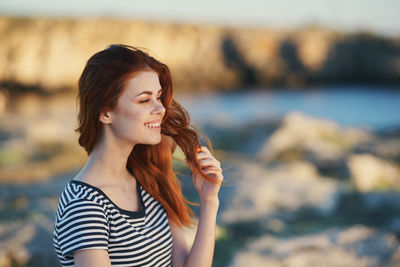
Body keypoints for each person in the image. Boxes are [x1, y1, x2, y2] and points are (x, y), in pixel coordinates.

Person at [52, 44, 223, 267]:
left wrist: (209, 201)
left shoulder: (150, 181)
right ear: (105, 112)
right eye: (144, 100)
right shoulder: (85, 206)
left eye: (158, 97)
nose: (160, 109)